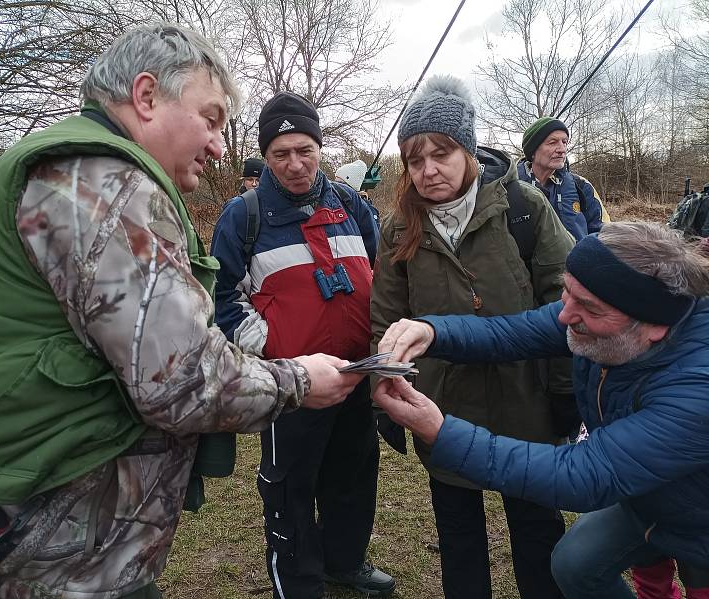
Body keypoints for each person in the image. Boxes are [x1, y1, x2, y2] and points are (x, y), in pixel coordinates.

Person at [0, 24, 364, 599]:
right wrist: (298, 379)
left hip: (54, 524)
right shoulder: (99, 182)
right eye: (212, 118)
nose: (221, 146)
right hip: (33, 540)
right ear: (147, 97)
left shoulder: (88, 171)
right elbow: (182, 379)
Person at [373, 221, 709, 599]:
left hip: (699, 518)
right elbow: (516, 332)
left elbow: (585, 475)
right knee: (576, 564)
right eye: (567, 292)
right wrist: (433, 331)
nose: (564, 315)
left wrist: (440, 431)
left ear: (653, 327)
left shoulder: (696, 391)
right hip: (644, 498)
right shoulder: (605, 309)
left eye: (587, 307)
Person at [369, 74, 574, 599]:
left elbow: (565, 302)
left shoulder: (525, 210)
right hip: (445, 405)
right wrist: (387, 393)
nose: (428, 170)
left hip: (525, 404)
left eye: (442, 153)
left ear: (468, 149)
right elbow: (386, 318)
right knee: (459, 536)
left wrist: (563, 392)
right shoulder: (398, 229)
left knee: (538, 532)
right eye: (415, 160)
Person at [210, 91, 394, 598]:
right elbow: (221, 297)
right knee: (290, 485)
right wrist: (271, 348)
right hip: (294, 385)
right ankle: (298, 579)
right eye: (281, 154)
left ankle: (345, 561)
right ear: (266, 156)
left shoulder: (352, 204)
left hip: (356, 372)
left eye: (305, 150)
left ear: (320, 147)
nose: (295, 164)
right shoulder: (242, 216)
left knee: (354, 473)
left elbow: (382, 275)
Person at [518, 117, 608, 241]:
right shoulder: (509, 186)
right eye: (552, 142)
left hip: (576, 260)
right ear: (533, 151)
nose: (562, 149)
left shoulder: (581, 186)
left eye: (564, 142)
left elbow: (603, 233)